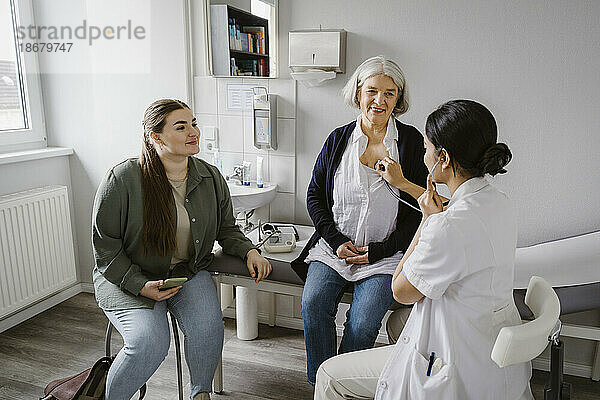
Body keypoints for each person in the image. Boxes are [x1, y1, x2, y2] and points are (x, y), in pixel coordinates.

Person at [313, 99, 533, 400]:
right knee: (398, 322)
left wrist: (426, 221)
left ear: (443, 158)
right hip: (491, 341)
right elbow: (449, 207)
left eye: (427, 148)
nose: (423, 153)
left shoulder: (448, 226)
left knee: (329, 375)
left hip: (457, 360)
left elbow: (400, 290)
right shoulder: (499, 203)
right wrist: (405, 184)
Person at [92, 99, 271, 400]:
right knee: (150, 341)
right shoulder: (122, 179)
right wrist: (140, 285)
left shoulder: (211, 177)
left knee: (208, 330)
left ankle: (200, 393)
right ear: (155, 137)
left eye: (194, 123)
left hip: (184, 273)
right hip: (128, 278)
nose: (193, 132)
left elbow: (227, 228)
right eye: (181, 126)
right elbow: (105, 249)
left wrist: (249, 251)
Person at [291, 55, 429, 386]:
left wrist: (383, 249)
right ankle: (322, 385)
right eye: (372, 91)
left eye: (389, 93)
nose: (379, 101)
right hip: (334, 248)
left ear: (399, 98)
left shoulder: (410, 143)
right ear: (358, 92)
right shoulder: (338, 138)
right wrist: (337, 242)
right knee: (313, 306)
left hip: (386, 256)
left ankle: (347, 385)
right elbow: (314, 196)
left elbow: (419, 210)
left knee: (364, 322)